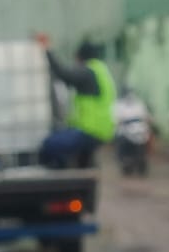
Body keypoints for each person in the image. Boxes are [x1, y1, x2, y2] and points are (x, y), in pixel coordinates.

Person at [37, 35, 117, 168]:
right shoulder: (101, 71)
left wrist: (47, 49)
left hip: (90, 130)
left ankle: (61, 176)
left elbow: (64, 74)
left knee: (50, 144)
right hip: (101, 130)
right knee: (79, 159)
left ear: (80, 57)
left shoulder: (89, 71)